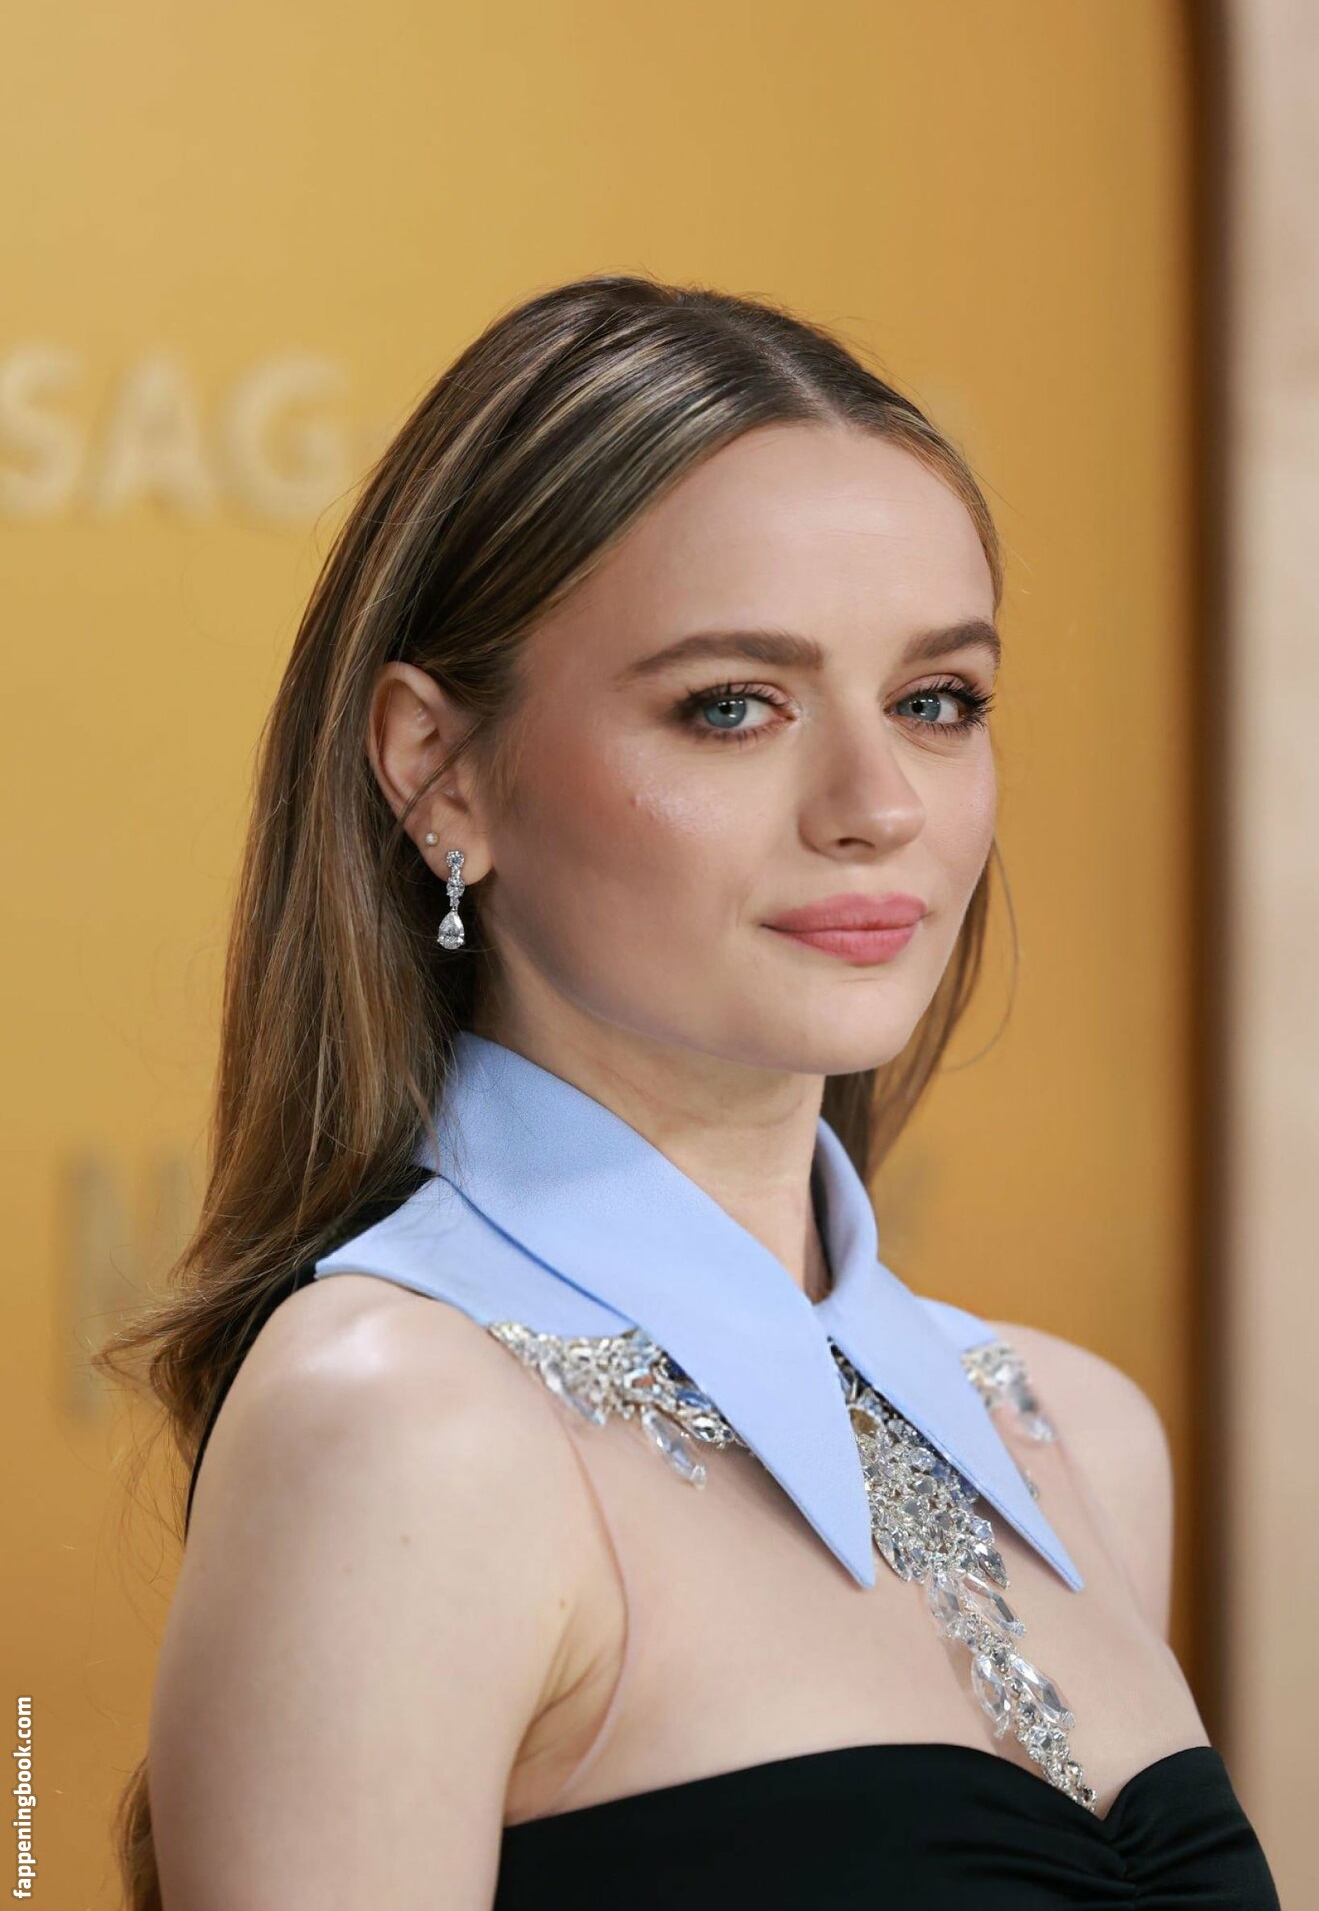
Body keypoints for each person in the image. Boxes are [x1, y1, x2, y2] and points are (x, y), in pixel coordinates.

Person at [98, 275, 1278, 1909]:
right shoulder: (401, 1427)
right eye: (733, 706)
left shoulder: (1071, 1434)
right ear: (439, 771)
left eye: (936, 702)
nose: (876, 804)